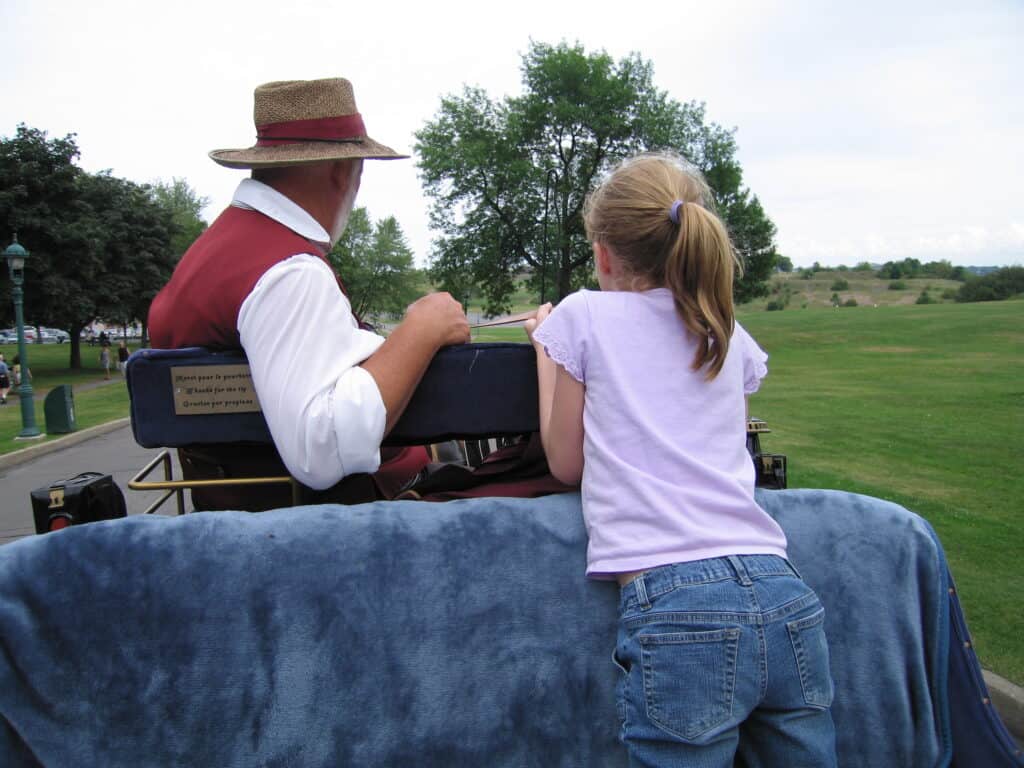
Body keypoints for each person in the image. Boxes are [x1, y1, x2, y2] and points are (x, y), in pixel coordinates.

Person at [524, 153, 836, 766]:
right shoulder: (723, 330)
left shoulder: (583, 315)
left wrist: (546, 345)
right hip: (781, 590)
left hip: (676, 605)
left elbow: (566, 462)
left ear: (603, 253)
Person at [148, 78, 469, 510]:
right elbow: (320, 450)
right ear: (344, 171)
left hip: (231, 504)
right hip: (325, 521)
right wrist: (421, 331)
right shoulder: (291, 272)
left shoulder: (219, 249)